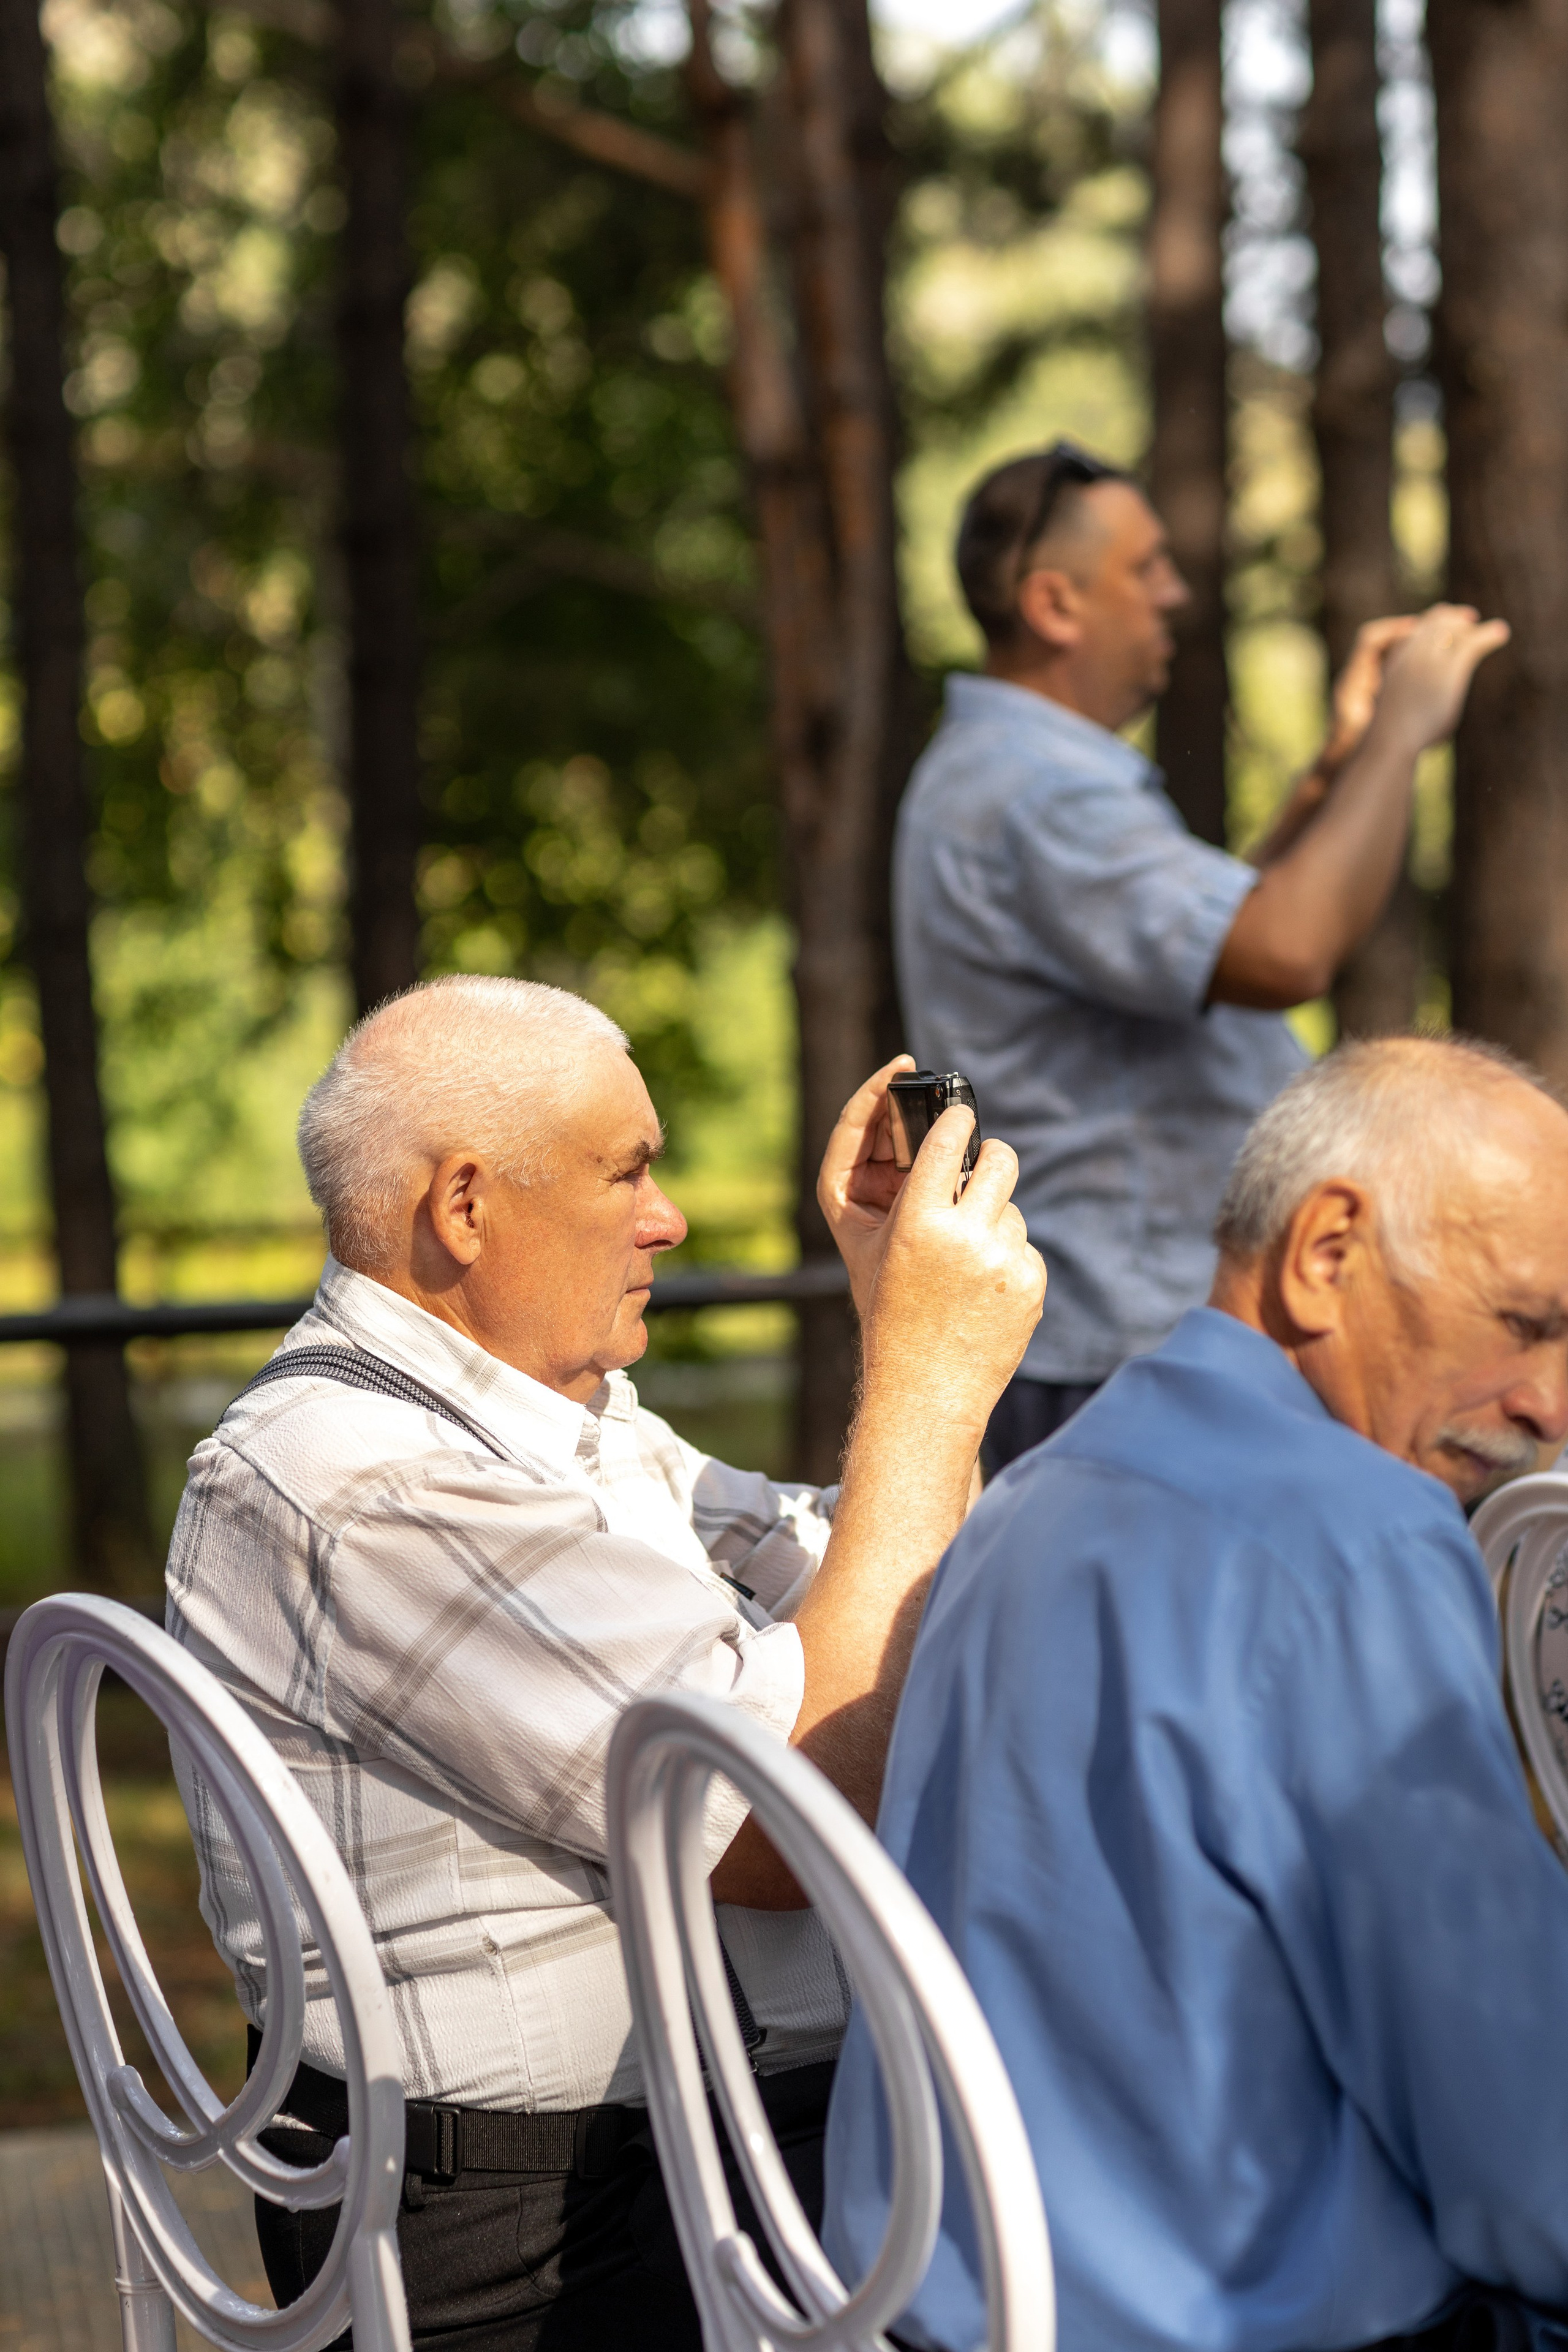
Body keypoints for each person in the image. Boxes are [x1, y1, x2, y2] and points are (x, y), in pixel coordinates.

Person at [165, 973, 1043, 2352]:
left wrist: (901, 1337)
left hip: (700, 2158)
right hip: (547, 2244)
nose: (667, 1216)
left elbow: (893, 1591)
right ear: (464, 1206)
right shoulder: (363, 1485)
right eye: (628, 1170)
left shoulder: (558, 1424)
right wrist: (929, 1378)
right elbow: (790, 1809)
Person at [826, 1033, 1568, 2352]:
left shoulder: (1038, 1486)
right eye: (1521, 1325)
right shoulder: (1360, 1532)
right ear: (1323, 1251)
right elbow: (1518, 2150)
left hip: (931, 2300)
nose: (1547, 1404)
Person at [894, 442, 1510, 1471]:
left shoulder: (1022, 776)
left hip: (1120, 1346)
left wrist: (1334, 770)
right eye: (1146, 569)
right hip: (1127, 1354)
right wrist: (1404, 732)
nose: (1175, 595)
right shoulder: (1039, 790)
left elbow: (1210, 944)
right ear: (1056, 605)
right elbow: (1284, 951)